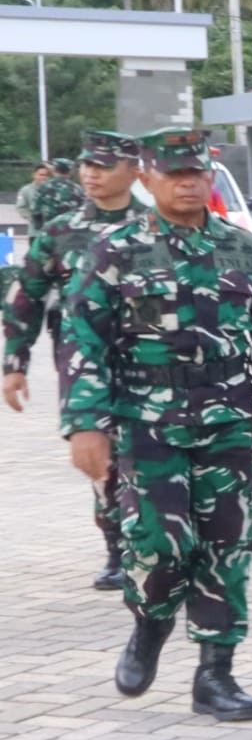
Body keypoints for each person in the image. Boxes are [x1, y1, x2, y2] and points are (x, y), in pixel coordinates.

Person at [57, 127, 252, 722]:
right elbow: (82, 340)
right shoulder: (116, 250)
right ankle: (149, 622)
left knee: (229, 542)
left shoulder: (242, 248)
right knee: (158, 543)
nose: (190, 183)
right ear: (147, 178)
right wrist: (85, 425)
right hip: (147, 423)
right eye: (176, 174)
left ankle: (215, 674)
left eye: (197, 172)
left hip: (226, 418)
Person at [4, 131, 146, 589]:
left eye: (103, 165)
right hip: (83, 362)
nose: (91, 173)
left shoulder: (156, 225)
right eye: (87, 164)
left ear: (133, 170)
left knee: (148, 455)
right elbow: (27, 297)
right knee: (101, 453)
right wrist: (14, 363)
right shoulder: (61, 231)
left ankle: (157, 544)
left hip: (152, 360)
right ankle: (117, 549)